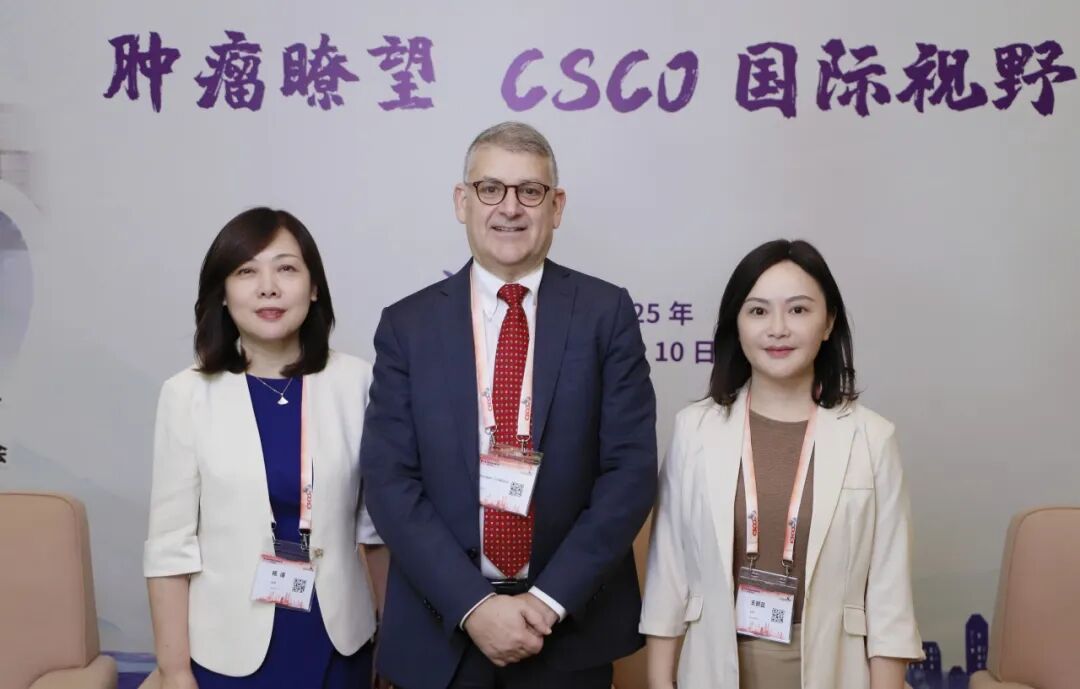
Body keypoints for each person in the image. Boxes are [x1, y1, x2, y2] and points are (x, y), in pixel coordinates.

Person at [360, 121, 657, 689]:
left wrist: (548, 601)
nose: (510, 208)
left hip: (567, 632)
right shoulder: (407, 326)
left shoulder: (605, 314)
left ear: (557, 206)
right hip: (442, 629)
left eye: (530, 191)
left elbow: (629, 472)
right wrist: (473, 607)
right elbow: (390, 481)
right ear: (462, 201)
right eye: (490, 188)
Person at [640, 239, 923, 689]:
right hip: (714, 668)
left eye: (798, 310)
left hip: (835, 670)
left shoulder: (873, 438)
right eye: (758, 311)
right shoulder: (694, 430)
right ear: (736, 324)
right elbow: (667, 580)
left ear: (828, 322)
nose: (777, 329)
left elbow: (891, 601)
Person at [144, 207, 386, 689]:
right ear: (223, 293)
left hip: (341, 643)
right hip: (229, 652)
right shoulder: (187, 395)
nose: (268, 287)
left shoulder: (358, 383)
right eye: (246, 272)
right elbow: (170, 548)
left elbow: (376, 531)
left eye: (287, 268)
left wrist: (393, 644)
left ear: (313, 288)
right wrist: (174, 671)